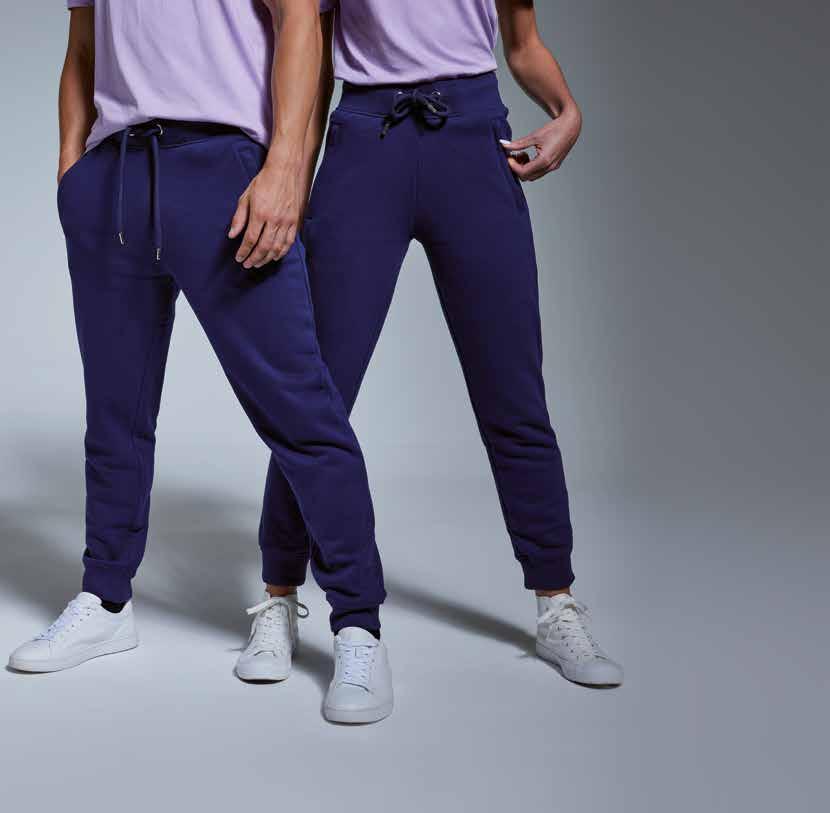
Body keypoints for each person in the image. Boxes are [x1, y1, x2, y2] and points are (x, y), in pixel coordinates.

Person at [7, 0, 394, 725]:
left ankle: (358, 625)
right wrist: (72, 172)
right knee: (115, 413)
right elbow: (83, 46)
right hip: (114, 177)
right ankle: (106, 599)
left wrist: (285, 167)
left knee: (301, 412)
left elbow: (300, 21)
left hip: (226, 173)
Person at [254, 0, 623, 687]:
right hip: (365, 142)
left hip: (473, 141)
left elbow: (523, 44)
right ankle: (279, 596)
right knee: (317, 393)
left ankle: (557, 601)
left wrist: (567, 111)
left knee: (512, 389)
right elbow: (314, 51)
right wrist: (294, 176)